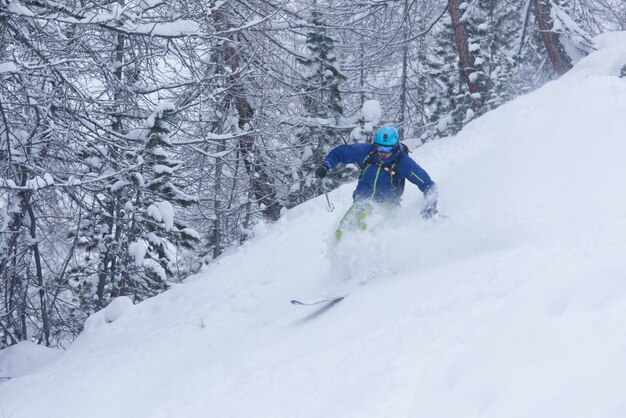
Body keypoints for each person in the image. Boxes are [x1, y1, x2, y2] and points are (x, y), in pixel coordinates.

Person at [315, 125, 438, 240]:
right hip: (361, 202)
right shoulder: (367, 153)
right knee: (341, 233)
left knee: (363, 232)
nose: (383, 152)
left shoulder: (403, 163)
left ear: (395, 146)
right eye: (380, 147)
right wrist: (326, 166)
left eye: (387, 148)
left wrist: (430, 207)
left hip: (386, 207)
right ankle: (341, 261)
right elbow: (340, 152)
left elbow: (427, 184)